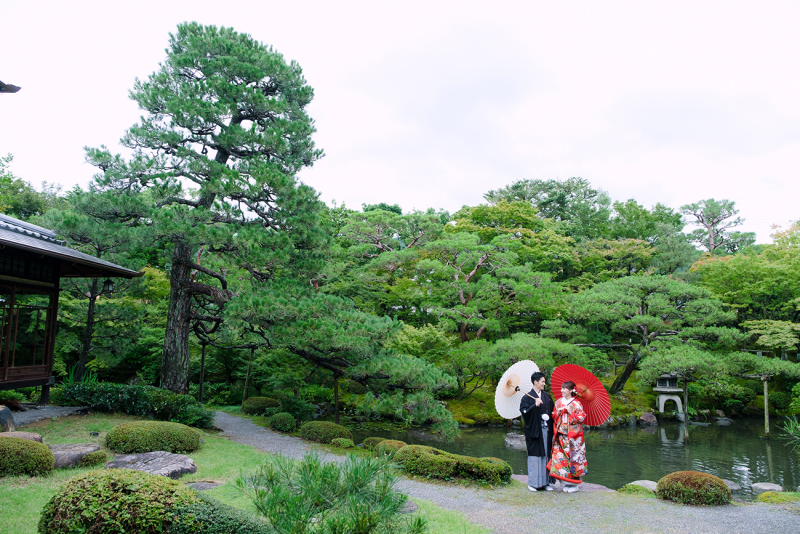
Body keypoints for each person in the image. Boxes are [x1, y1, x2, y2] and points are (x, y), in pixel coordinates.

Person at [549, 380, 587, 493]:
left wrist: (571, 412)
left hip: (574, 437)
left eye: (564, 388)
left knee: (573, 459)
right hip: (561, 434)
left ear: (571, 390)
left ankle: (574, 484)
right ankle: (564, 483)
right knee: (561, 458)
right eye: (561, 388)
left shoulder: (577, 403)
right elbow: (553, 416)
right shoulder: (558, 402)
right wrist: (559, 412)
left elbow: (581, 418)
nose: (562, 390)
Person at [519, 371, 555, 492]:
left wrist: (557, 413)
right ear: (536, 382)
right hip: (535, 431)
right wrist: (534, 405)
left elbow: (553, 412)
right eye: (542, 381)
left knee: (546, 454)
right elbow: (524, 413)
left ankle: (546, 482)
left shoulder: (547, 397)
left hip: (546, 430)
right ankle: (533, 483)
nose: (544, 384)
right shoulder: (526, 397)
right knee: (535, 456)